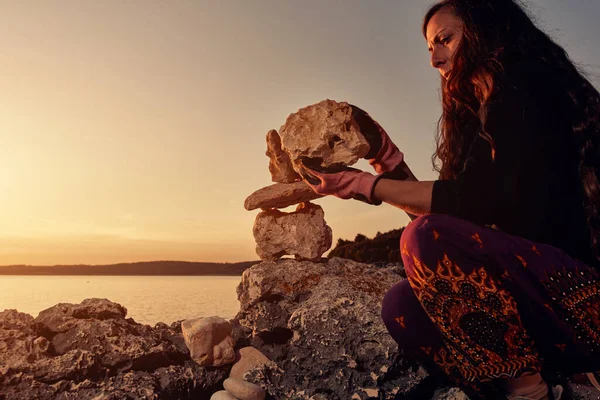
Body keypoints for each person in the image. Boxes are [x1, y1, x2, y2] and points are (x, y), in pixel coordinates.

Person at [298, 1, 600, 399]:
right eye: (429, 47)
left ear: (483, 32)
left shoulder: (525, 82)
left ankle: (529, 392)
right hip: (535, 313)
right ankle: (521, 381)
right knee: (400, 304)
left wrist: (362, 185)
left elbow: (469, 207)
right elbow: (451, 212)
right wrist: (383, 156)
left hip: (581, 304)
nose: (435, 59)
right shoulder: (477, 120)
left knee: (425, 238)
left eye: (445, 40)